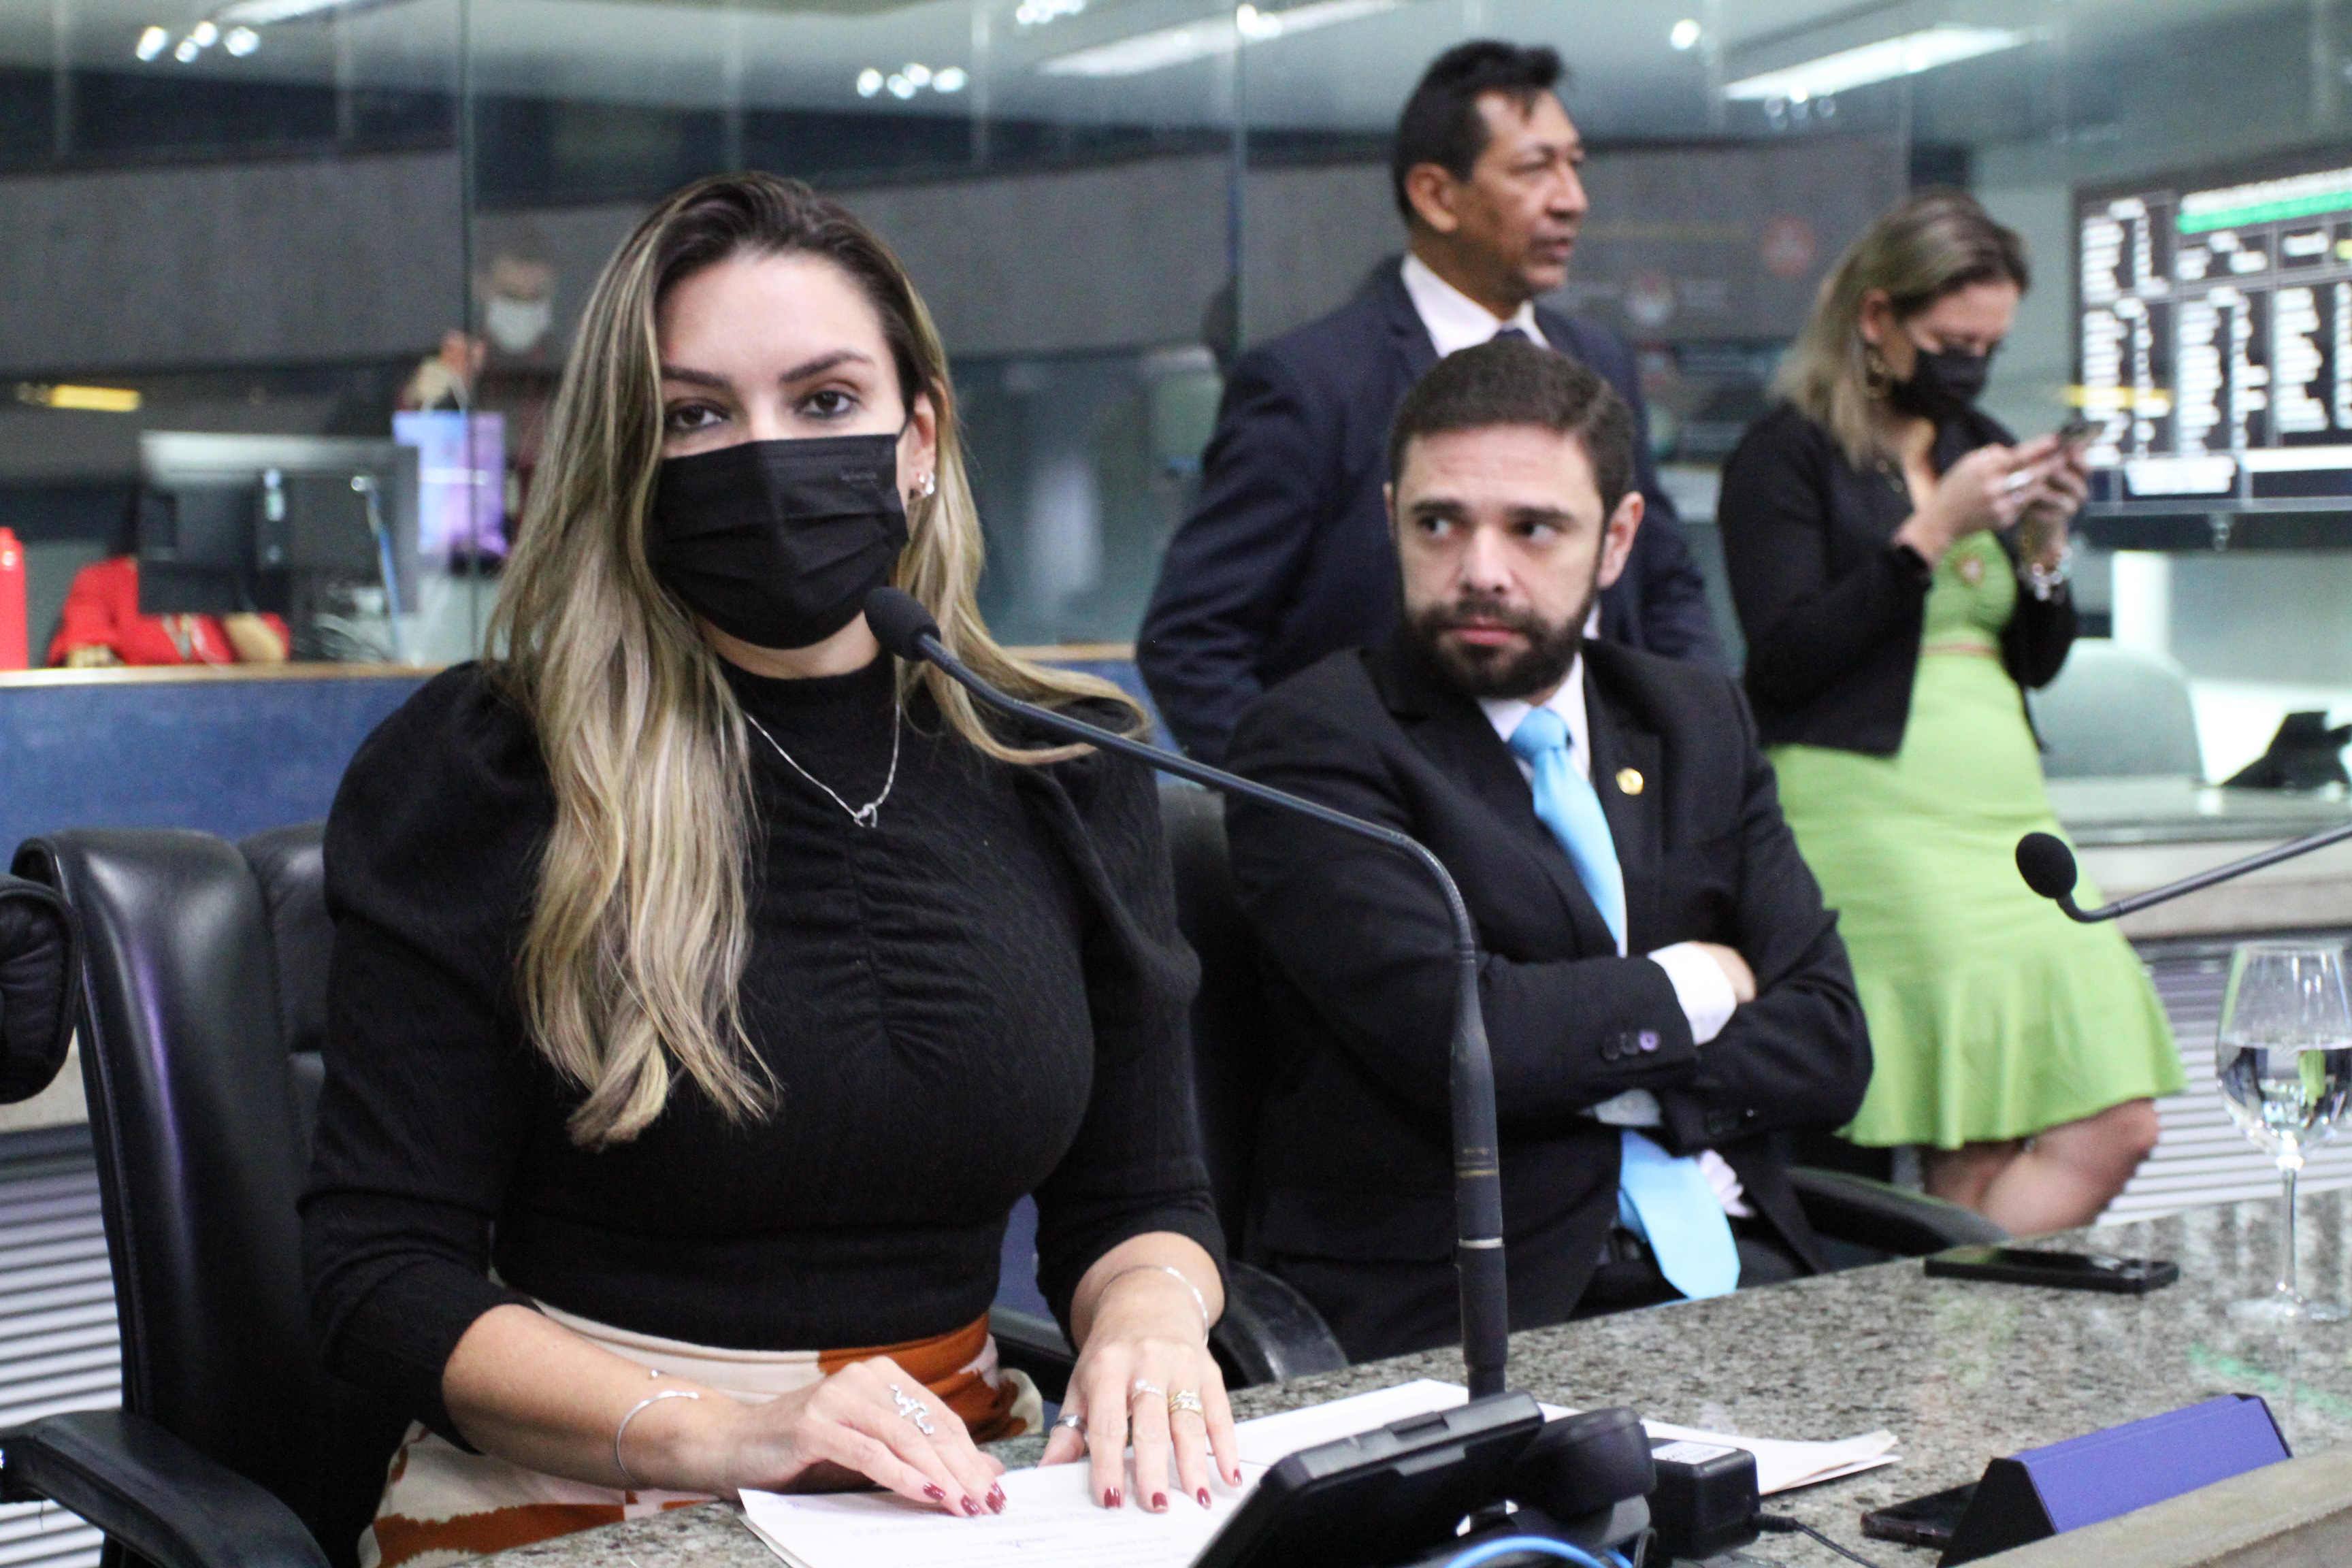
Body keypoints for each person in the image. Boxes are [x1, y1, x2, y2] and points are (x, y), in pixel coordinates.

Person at [301, 173, 1239, 1568]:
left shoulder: (1062, 759)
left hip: (956, 1480)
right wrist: (725, 1433)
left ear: (918, 441)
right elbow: (377, 1272)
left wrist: (1153, 1318)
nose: (764, 456)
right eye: (695, 416)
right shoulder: (488, 767)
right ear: (628, 458)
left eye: (824, 400)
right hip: (589, 1479)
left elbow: (1141, 1196)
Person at [1221, 340, 1869, 1361]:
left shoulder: (1695, 719)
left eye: (1533, 529)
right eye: (1439, 524)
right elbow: (1469, 1047)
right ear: (1391, 519)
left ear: (1618, 540)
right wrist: (1701, 981)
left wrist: (1581, 1056)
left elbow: (1831, 1047)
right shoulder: (1313, 741)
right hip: (1473, 1312)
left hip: (1744, 1272)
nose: (1482, 570)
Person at [1716, 191, 2181, 1235]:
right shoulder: (1789, 454)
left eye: (1990, 347)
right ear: (1877, 317)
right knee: (1965, 1129)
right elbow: (1784, 661)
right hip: (1871, 816)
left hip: (2008, 821)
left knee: (2113, 1122)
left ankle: (1946, 1322)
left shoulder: (1983, 440)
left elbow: (2038, 660)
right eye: (1952, 344)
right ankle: (1950, 1335)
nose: (1970, 367)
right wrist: (1930, 532)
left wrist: (2046, 551)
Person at [1137, 40, 1722, 764]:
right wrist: (1308, 798)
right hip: (1392, 811)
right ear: (1437, 196)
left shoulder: (1598, 361)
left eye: (1574, 165)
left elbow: (1661, 583)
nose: (1571, 199)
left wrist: (1696, 756)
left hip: (1599, 789)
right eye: (1535, 169)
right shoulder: (1314, 382)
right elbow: (1193, 640)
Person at [49, 525, 287, 668]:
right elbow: (88, 662)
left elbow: (271, 662)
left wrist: (217, 585)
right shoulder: (104, 580)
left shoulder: (235, 580)